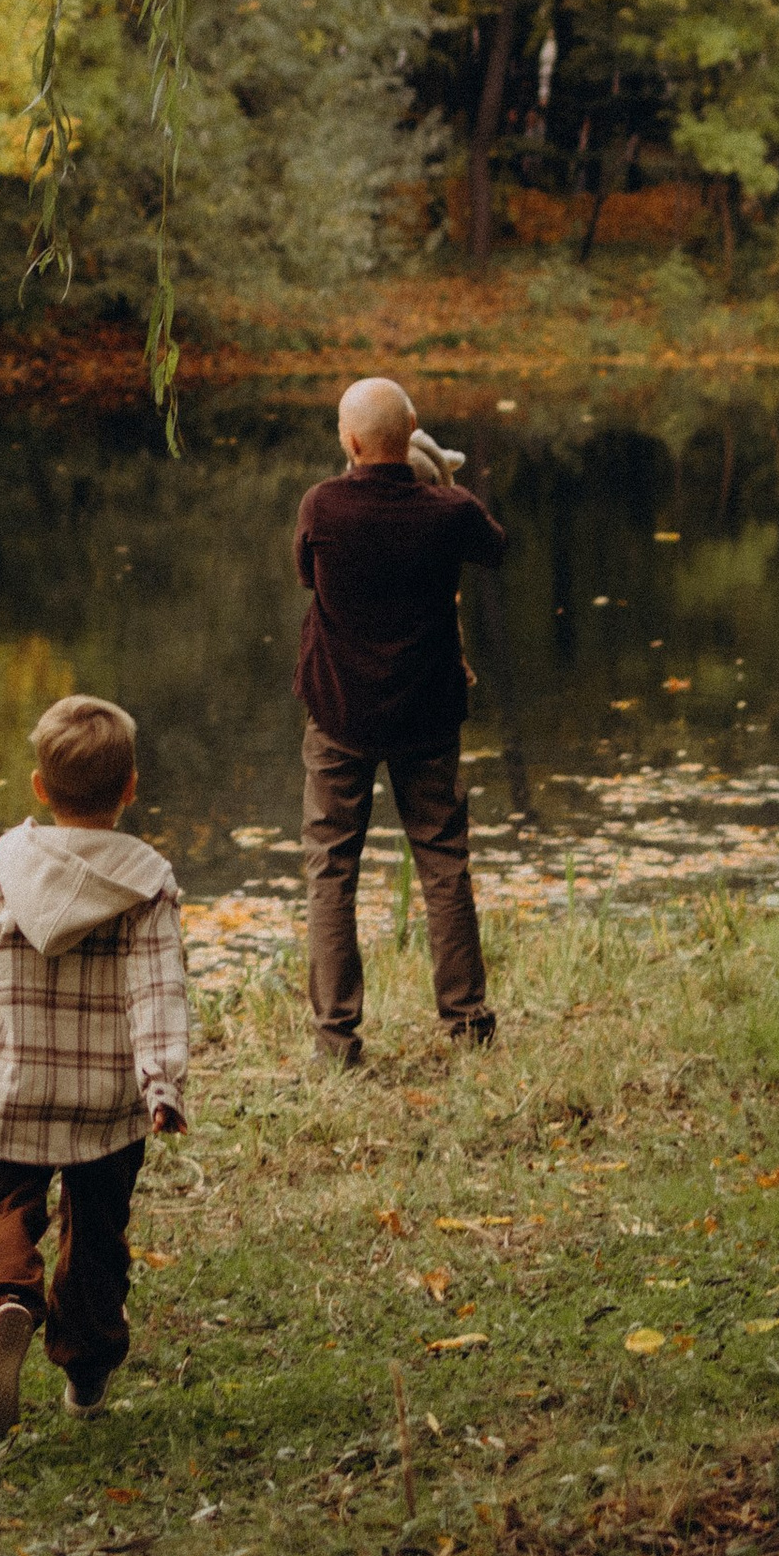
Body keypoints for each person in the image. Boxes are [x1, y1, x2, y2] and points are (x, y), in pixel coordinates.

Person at [0, 691, 189, 1442]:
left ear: (40, 789)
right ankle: (88, 1366)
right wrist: (162, 1084)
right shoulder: (147, 885)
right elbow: (159, 992)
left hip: (12, 1089)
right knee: (97, 1232)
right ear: (130, 788)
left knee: (1, 1213)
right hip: (106, 1102)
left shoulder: (10, 868)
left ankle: (5, 1301)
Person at [295, 374, 507, 1068]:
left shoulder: (322, 506)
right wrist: (443, 483)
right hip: (428, 712)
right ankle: (467, 1021)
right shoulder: (449, 511)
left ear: (350, 442)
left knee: (332, 870)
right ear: (410, 435)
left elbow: (305, 573)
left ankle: (336, 1040)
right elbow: (496, 547)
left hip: (340, 714)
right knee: (444, 862)